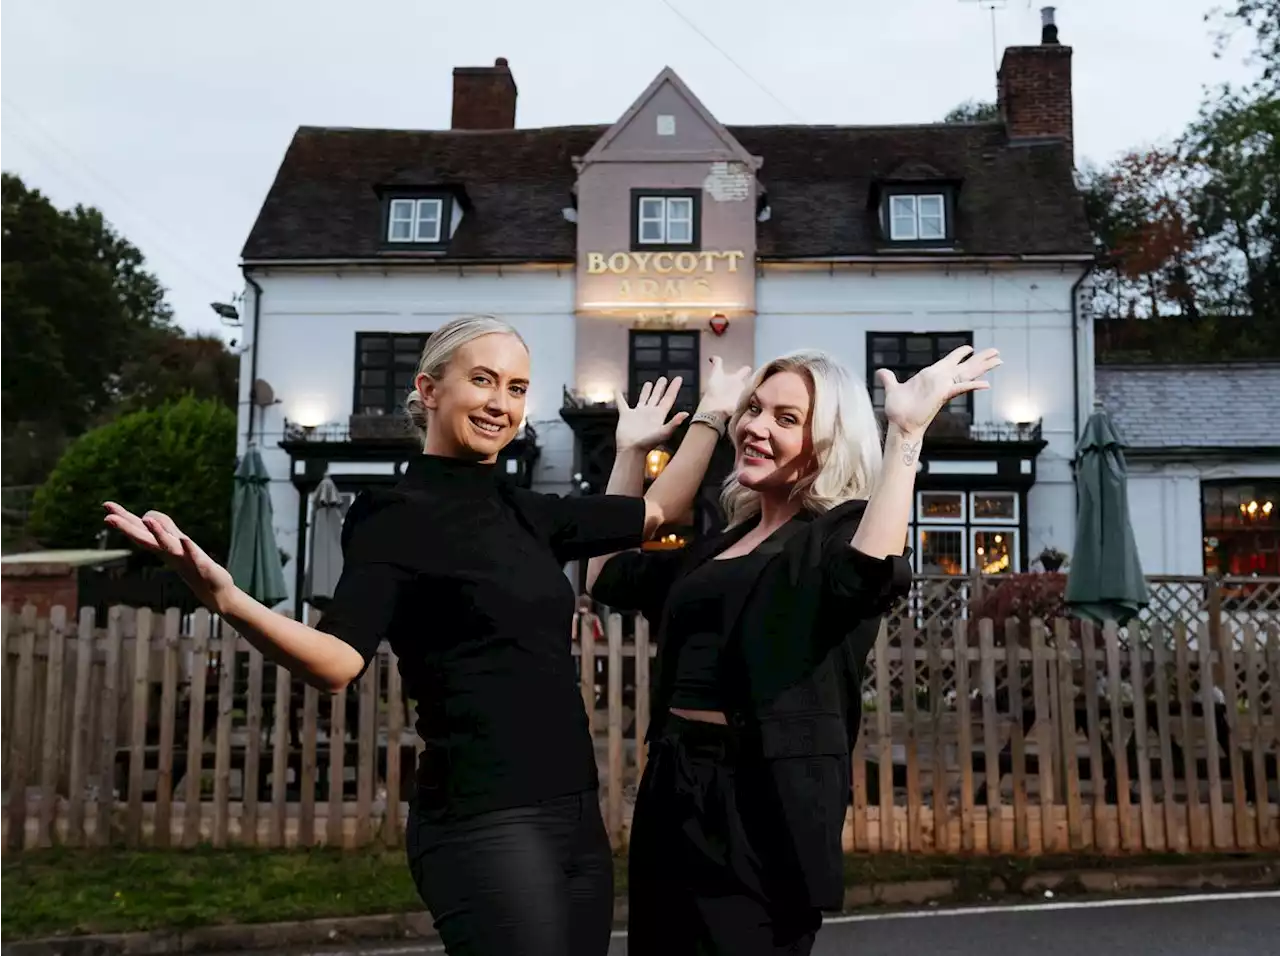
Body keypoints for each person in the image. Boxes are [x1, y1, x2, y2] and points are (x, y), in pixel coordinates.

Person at [103, 313, 752, 956]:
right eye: (484, 380)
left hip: (576, 817)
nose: (501, 402)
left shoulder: (527, 511)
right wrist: (227, 598)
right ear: (430, 388)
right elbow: (336, 661)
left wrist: (698, 419)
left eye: (518, 388)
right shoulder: (394, 517)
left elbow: (655, 511)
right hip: (483, 821)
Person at [587, 345, 1001, 955]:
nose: (756, 427)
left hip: (759, 802)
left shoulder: (836, 534)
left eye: (787, 418)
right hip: (673, 784)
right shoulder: (717, 545)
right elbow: (607, 571)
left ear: (828, 439)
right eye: (754, 409)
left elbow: (871, 571)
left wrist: (906, 435)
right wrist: (657, 439)